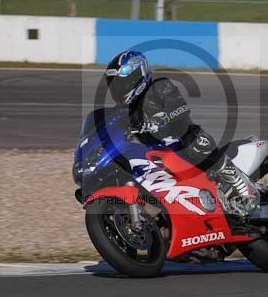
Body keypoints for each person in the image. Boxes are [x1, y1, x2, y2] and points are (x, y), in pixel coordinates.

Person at [104, 50, 259, 222]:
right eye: (115, 86)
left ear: (137, 75)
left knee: (195, 143)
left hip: (181, 140)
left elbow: (180, 108)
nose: (119, 90)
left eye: (122, 84)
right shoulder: (126, 112)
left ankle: (240, 183)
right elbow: (113, 129)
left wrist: (161, 119)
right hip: (159, 154)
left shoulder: (160, 87)